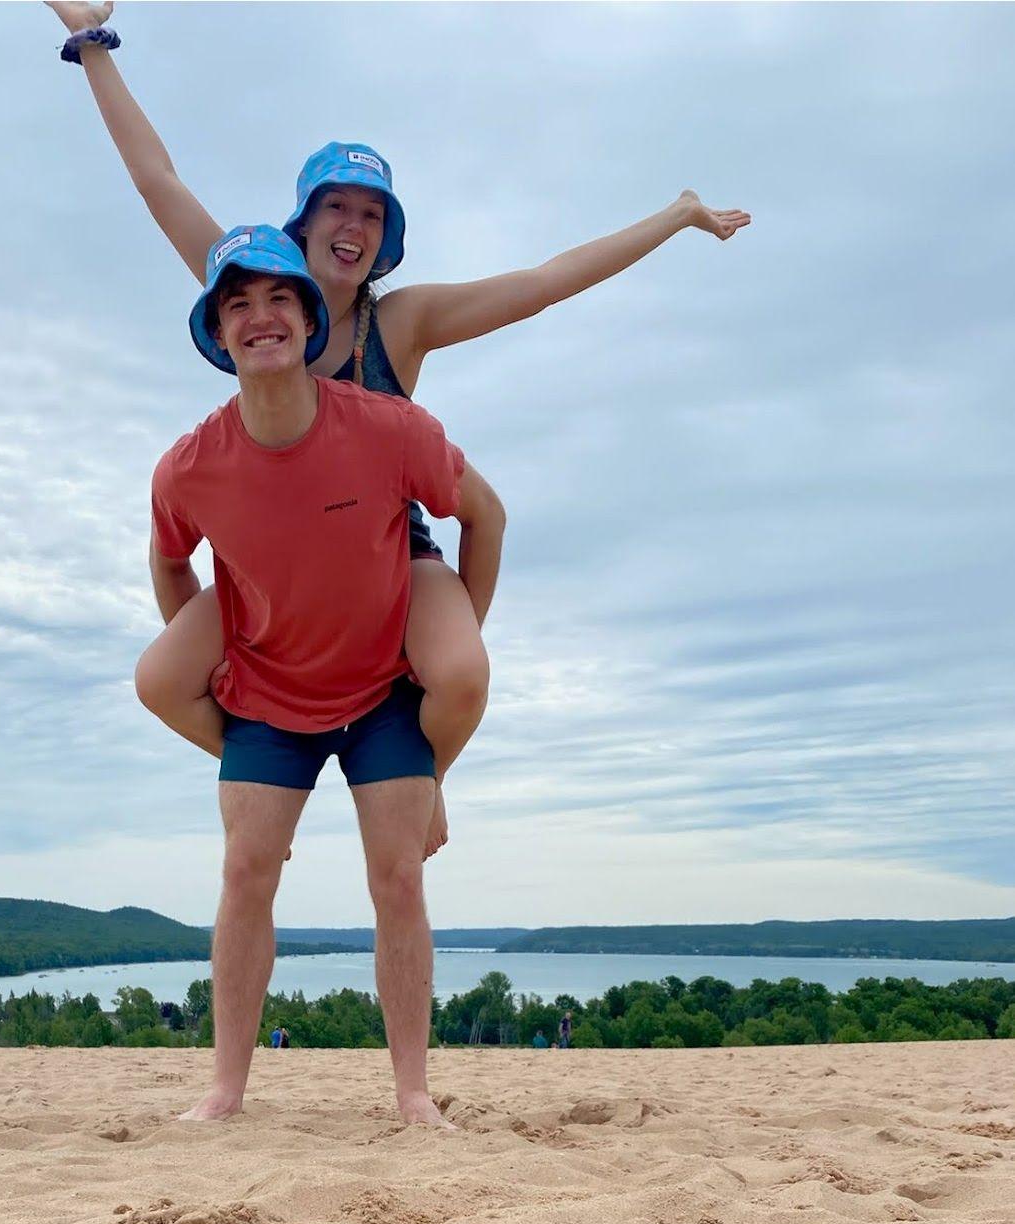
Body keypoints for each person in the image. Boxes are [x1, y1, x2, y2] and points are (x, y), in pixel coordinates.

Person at [48, 1, 750, 860]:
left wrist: (677, 217)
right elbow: (158, 180)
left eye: (372, 214)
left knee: (458, 675)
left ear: (386, 240)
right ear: (302, 222)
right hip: (275, 565)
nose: (352, 226)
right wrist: (91, 42)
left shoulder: (402, 322)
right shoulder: (246, 281)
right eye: (336, 207)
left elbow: (547, 280)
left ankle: (423, 778)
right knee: (161, 679)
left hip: (387, 553)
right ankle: (270, 769)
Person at [153, 225, 505, 1124]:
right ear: (217, 336)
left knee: (398, 879)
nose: (258, 317)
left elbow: (484, 514)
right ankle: (226, 1089)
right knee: (245, 871)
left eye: (278, 298)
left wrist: (455, 625)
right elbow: (168, 562)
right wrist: (225, 650)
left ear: (310, 322)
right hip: (270, 700)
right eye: (236, 305)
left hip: (385, 690)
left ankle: (412, 1092)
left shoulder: (390, 429)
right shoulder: (190, 465)